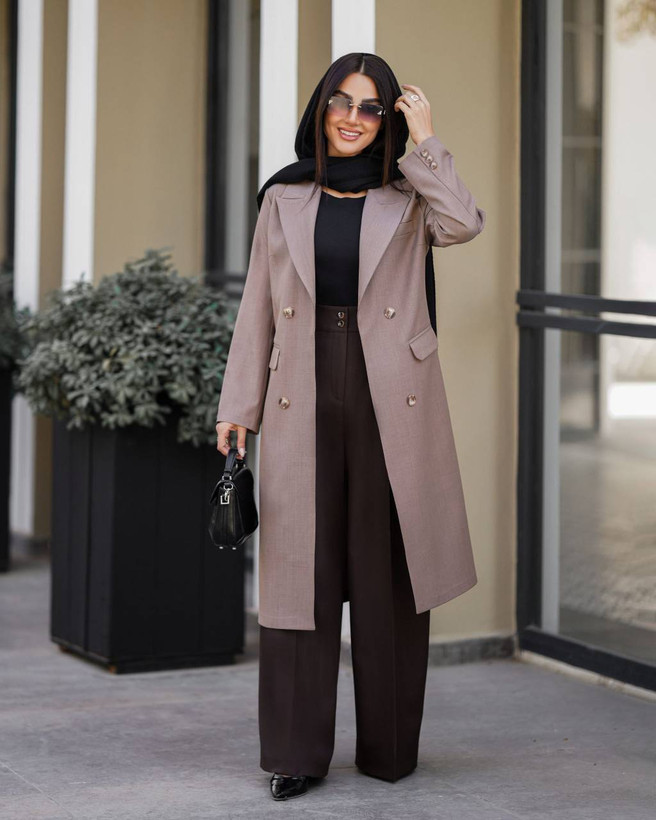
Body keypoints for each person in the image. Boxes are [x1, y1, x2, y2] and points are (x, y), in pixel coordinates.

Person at [215, 52, 486, 801]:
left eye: (371, 108)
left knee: (386, 567)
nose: (353, 118)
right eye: (342, 101)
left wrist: (427, 140)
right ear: (321, 107)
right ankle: (295, 754)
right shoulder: (284, 196)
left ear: (386, 119)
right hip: (300, 391)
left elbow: (465, 223)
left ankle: (390, 747)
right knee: (298, 571)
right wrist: (238, 407)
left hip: (390, 394)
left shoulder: (411, 195)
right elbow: (257, 307)